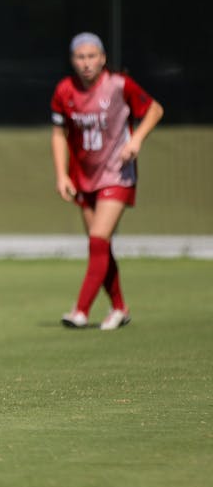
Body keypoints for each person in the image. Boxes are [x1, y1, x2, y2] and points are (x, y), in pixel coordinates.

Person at [50, 32, 164, 330]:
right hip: (84, 177)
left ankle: (80, 310)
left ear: (102, 59)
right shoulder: (65, 91)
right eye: (80, 57)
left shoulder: (118, 85)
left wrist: (136, 139)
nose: (86, 63)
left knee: (98, 238)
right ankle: (119, 308)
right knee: (100, 246)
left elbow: (154, 109)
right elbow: (58, 135)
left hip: (117, 173)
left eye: (92, 57)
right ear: (72, 60)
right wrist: (62, 174)